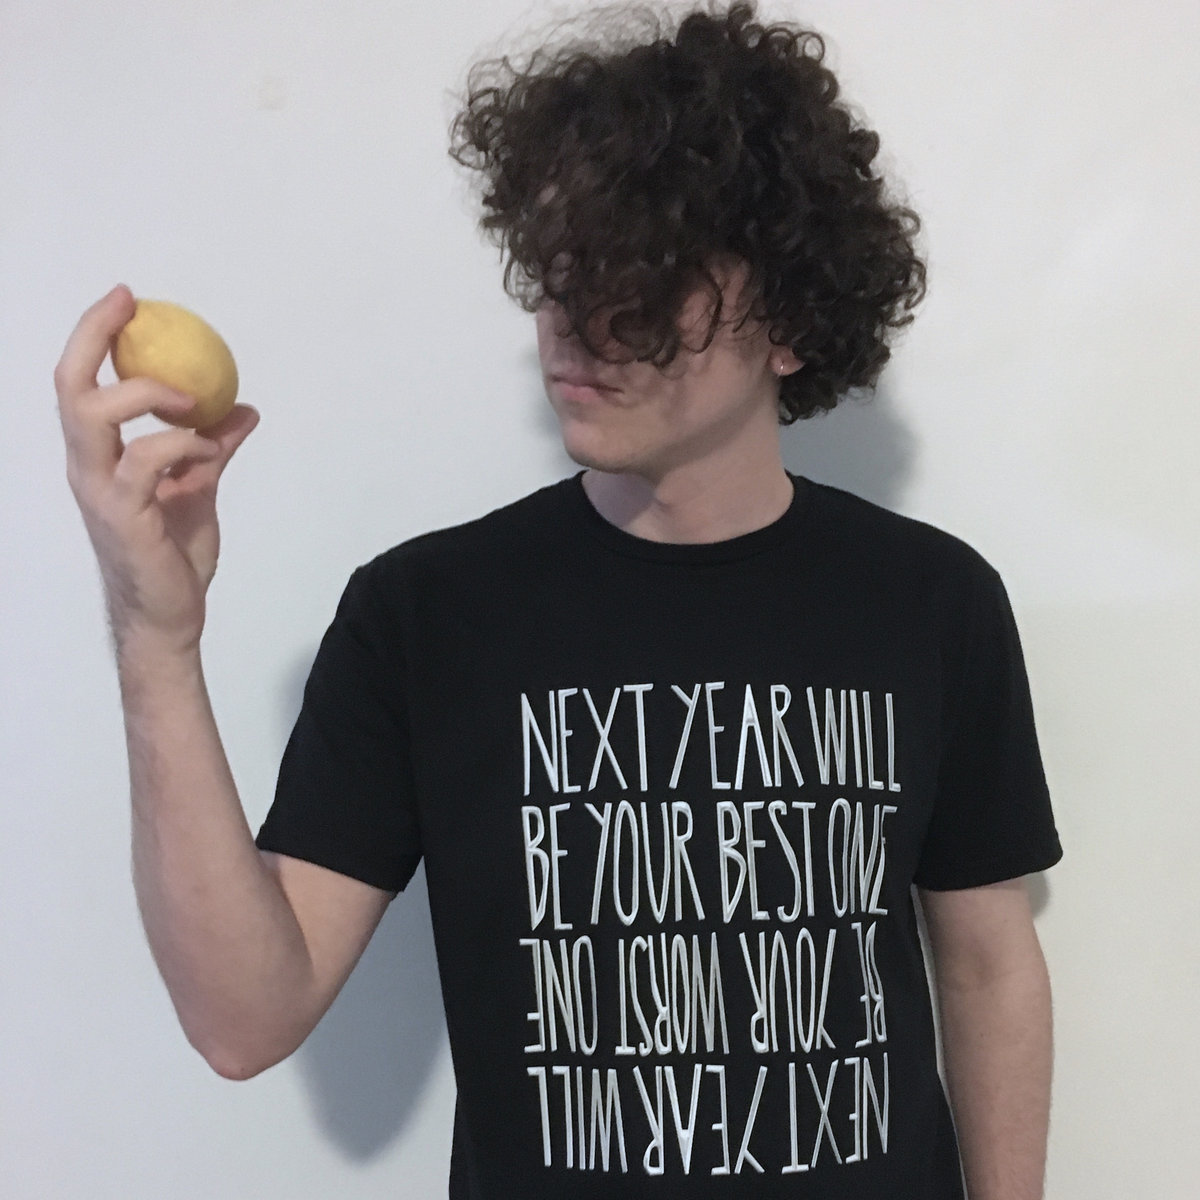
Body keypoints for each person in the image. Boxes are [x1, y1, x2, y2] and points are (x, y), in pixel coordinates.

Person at [56, 2, 1062, 1197]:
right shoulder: (425, 614)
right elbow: (243, 1021)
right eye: (561, 265)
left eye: (647, 277)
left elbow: (988, 963)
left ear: (792, 321)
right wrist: (157, 637)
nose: (577, 324)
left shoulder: (932, 602)